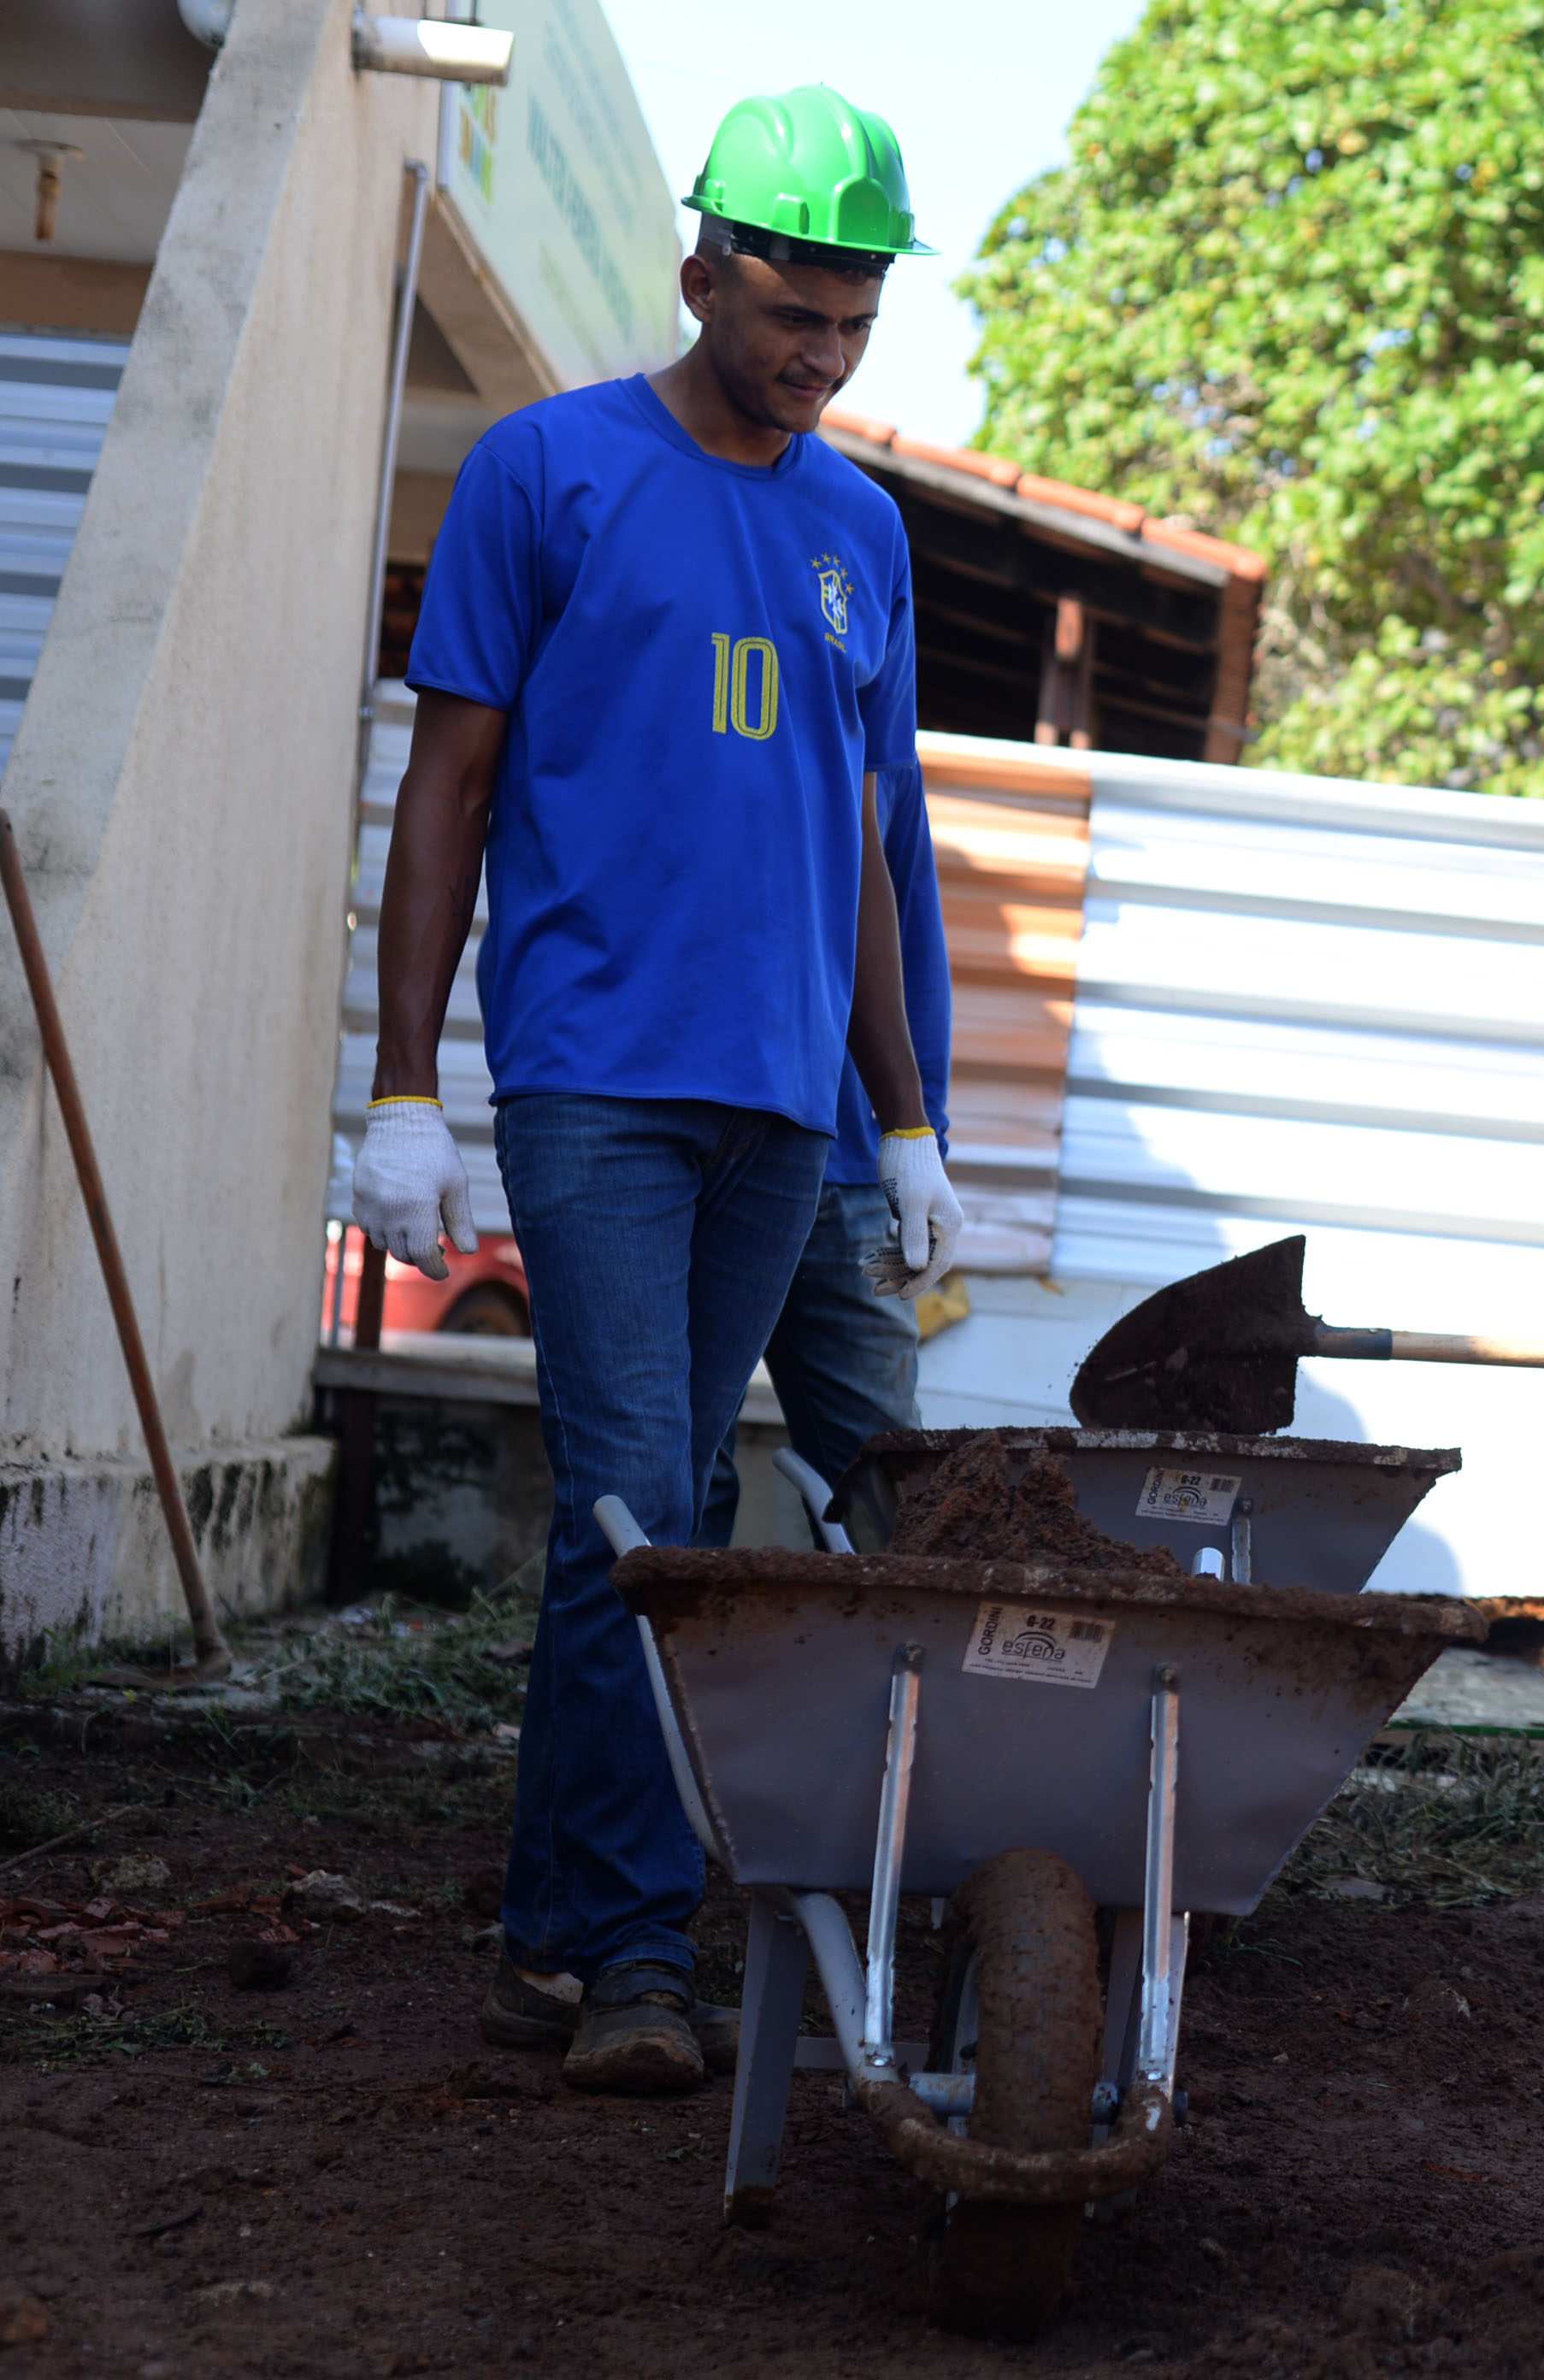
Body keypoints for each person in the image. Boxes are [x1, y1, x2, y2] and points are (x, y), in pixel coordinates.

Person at [352, 85, 964, 2096]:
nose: (823, 349)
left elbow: (874, 848)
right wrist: (408, 1081)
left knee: (662, 1505)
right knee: (646, 1501)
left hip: (786, 1106)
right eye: (796, 306)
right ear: (702, 270)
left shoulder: (862, 528)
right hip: (596, 1074)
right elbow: (447, 786)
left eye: (857, 320)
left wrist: (907, 1119)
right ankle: (633, 1950)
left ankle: (551, 1926)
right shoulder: (546, 474)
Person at [697, 772, 952, 1548]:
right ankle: (670, 1667)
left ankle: (888, 1668)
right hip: (692, 1156)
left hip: (847, 1172)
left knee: (881, 1479)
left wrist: (924, 1143)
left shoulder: (883, 746)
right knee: (680, 1465)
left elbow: (913, 942)